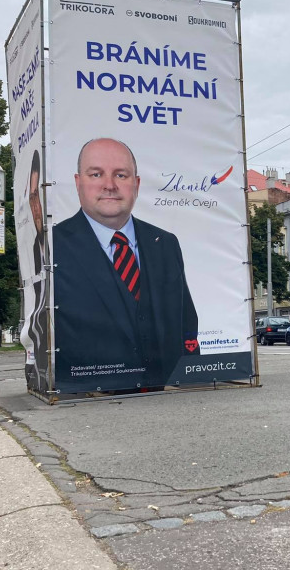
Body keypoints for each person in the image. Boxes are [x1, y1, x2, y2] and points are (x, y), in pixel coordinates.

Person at [53, 138, 199, 390]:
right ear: (78, 183)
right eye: (96, 174)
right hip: (89, 398)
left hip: (166, 397)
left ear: (136, 184)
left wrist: (190, 378)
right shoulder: (53, 245)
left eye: (121, 175)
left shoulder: (165, 243)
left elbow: (186, 320)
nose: (109, 185)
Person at [24, 149, 50, 389]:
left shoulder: (56, 240)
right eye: (32, 197)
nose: (35, 205)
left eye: (38, 196)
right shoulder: (36, 245)